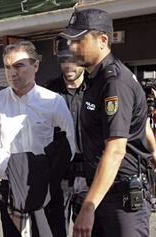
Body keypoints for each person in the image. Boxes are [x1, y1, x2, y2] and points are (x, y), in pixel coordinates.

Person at [59, 8, 156, 237]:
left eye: (78, 40)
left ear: (103, 40)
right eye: (69, 41)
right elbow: (137, 119)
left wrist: (88, 207)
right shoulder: (96, 79)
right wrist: (152, 148)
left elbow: (115, 151)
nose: (71, 47)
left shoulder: (115, 82)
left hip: (122, 200)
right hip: (103, 192)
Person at [0, 40, 75, 237]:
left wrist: (43, 173)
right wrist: (18, 172)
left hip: (47, 190)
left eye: (18, 66)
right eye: (7, 67)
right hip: (11, 187)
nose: (12, 73)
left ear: (36, 66)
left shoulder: (53, 101)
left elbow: (70, 144)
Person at [46, 36, 88, 236]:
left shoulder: (97, 89)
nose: (69, 65)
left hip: (89, 175)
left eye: (74, 60)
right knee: (56, 230)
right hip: (58, 175)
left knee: (86, 231)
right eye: (64, 60)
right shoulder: (47, 92)